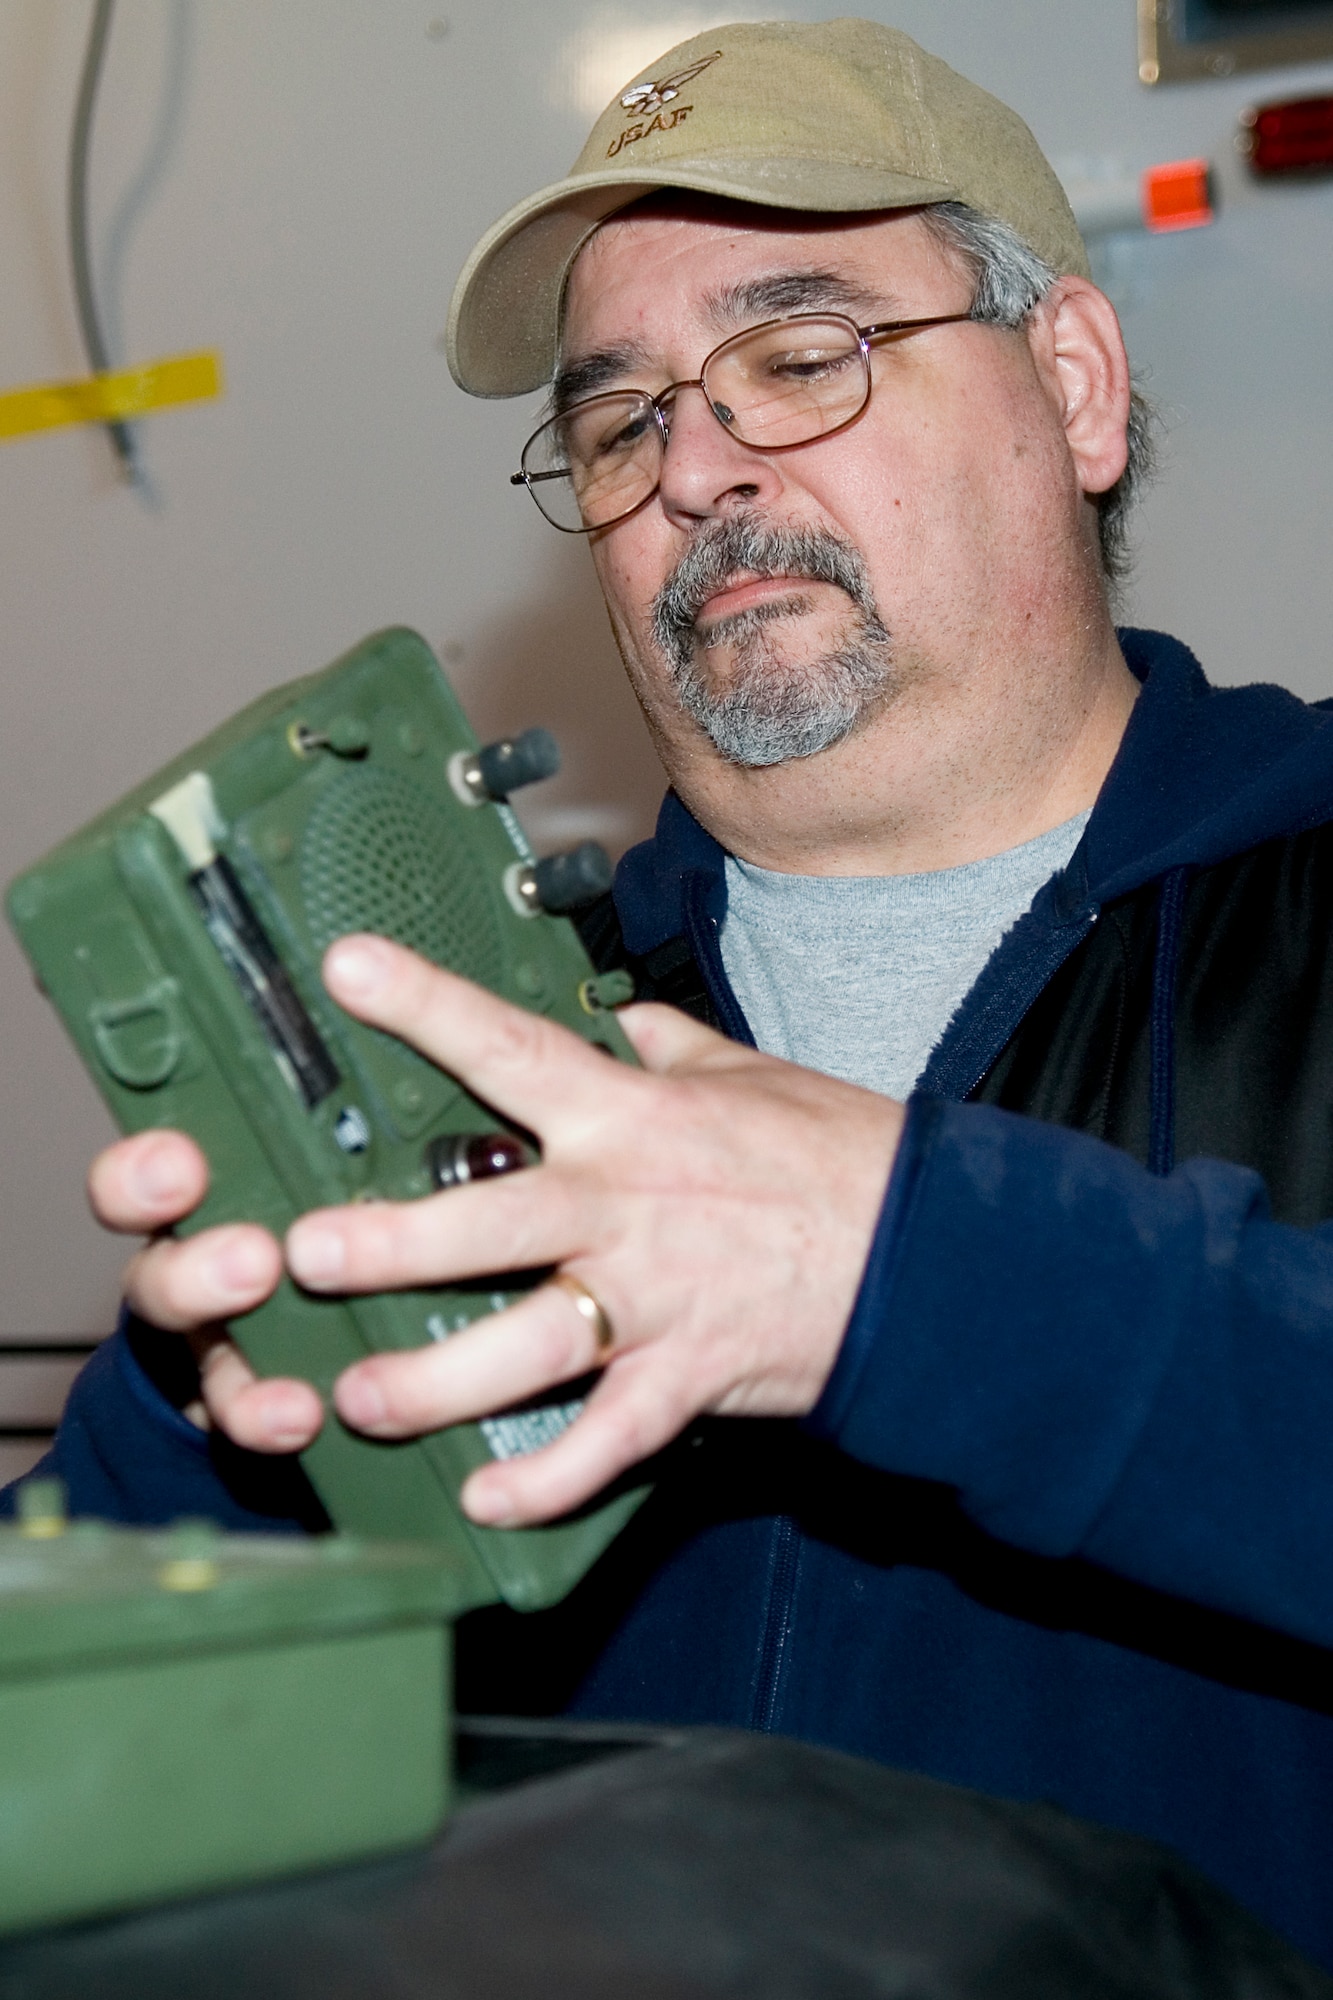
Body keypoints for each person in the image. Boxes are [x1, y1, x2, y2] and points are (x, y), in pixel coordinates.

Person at [19, 18, 1333, 1969]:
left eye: (797, 355)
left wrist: (891, 1268)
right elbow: (112, 1747)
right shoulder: (499, 1032)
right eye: (619, 418)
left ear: (1072, 384)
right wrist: (209, 1422)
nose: (692, 467)